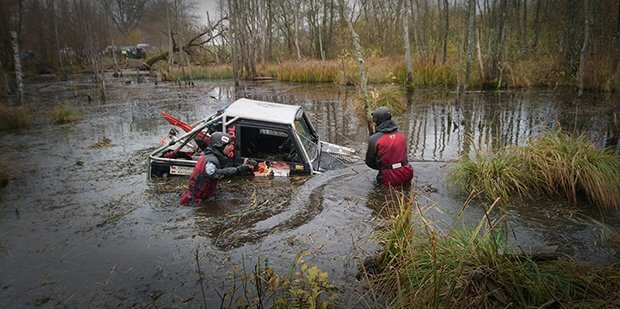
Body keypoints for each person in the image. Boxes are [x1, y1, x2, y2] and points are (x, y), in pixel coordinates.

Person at [179, 132, 254, 206]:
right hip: (193, 202)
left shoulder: (212, 157)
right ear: (220, 146)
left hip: (200, 197)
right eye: (228, 145)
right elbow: (213, 174)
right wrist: (238, 170)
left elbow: (223, 170)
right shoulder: (211, 160)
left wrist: (243, 166)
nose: (231, 148)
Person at [365, 107, 413, 186]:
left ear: (377, 121)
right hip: (407, 173)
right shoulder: (402, 136)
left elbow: (369, 162)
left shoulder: (374, 139)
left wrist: (383, 168)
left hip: (388, 177)